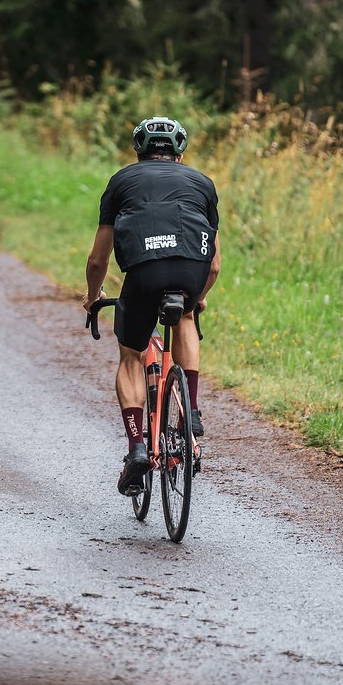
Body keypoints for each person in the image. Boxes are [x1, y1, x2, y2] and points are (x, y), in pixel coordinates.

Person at [83, 116, 221, 495]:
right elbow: (215, 264)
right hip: (190, 272)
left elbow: (98, 261)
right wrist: (200, 296)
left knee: (131, 354)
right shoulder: (203, 184)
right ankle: (190, 409)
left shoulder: (121, 181)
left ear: (138, 151)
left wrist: (93, 297)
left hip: (144, 274)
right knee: (187, 316)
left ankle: (137, 450)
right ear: (180, 153)